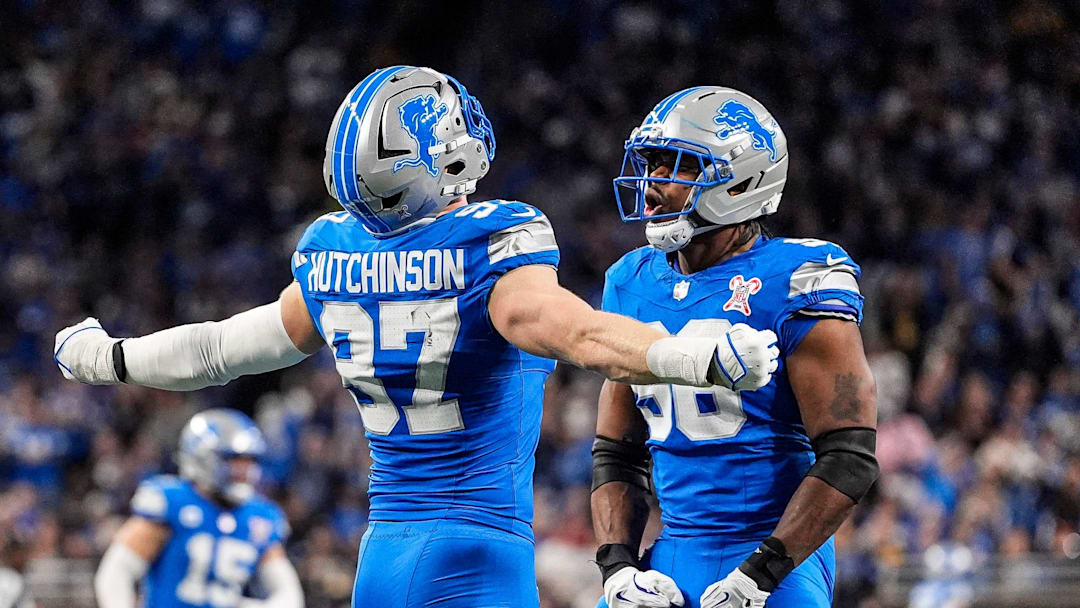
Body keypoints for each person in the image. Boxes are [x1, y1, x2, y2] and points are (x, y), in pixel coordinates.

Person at [55, 66, 780, 607]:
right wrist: (694, 356)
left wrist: (108, 357)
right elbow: (579, 336)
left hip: (384, 549)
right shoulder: (490, 242)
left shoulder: (334, 254)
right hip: (476, 548)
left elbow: (218, 350)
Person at [591, 87, 879, 608]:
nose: (652, 184)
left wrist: (758, 576)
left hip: (779, 563)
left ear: (741, 181)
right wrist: (618, 568)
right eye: (651, 164)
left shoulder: (798, 278)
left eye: (679, 166)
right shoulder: (630, 281)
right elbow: (617, 452)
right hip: (672, 555)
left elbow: (849, 456)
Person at [94, 409, 302, 608]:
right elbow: (116, 572)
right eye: (233, 460)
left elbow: (288, 594)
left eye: (248, 461)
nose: (243, 471)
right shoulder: (174, 503)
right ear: (202, 457)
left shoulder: (259, 518)